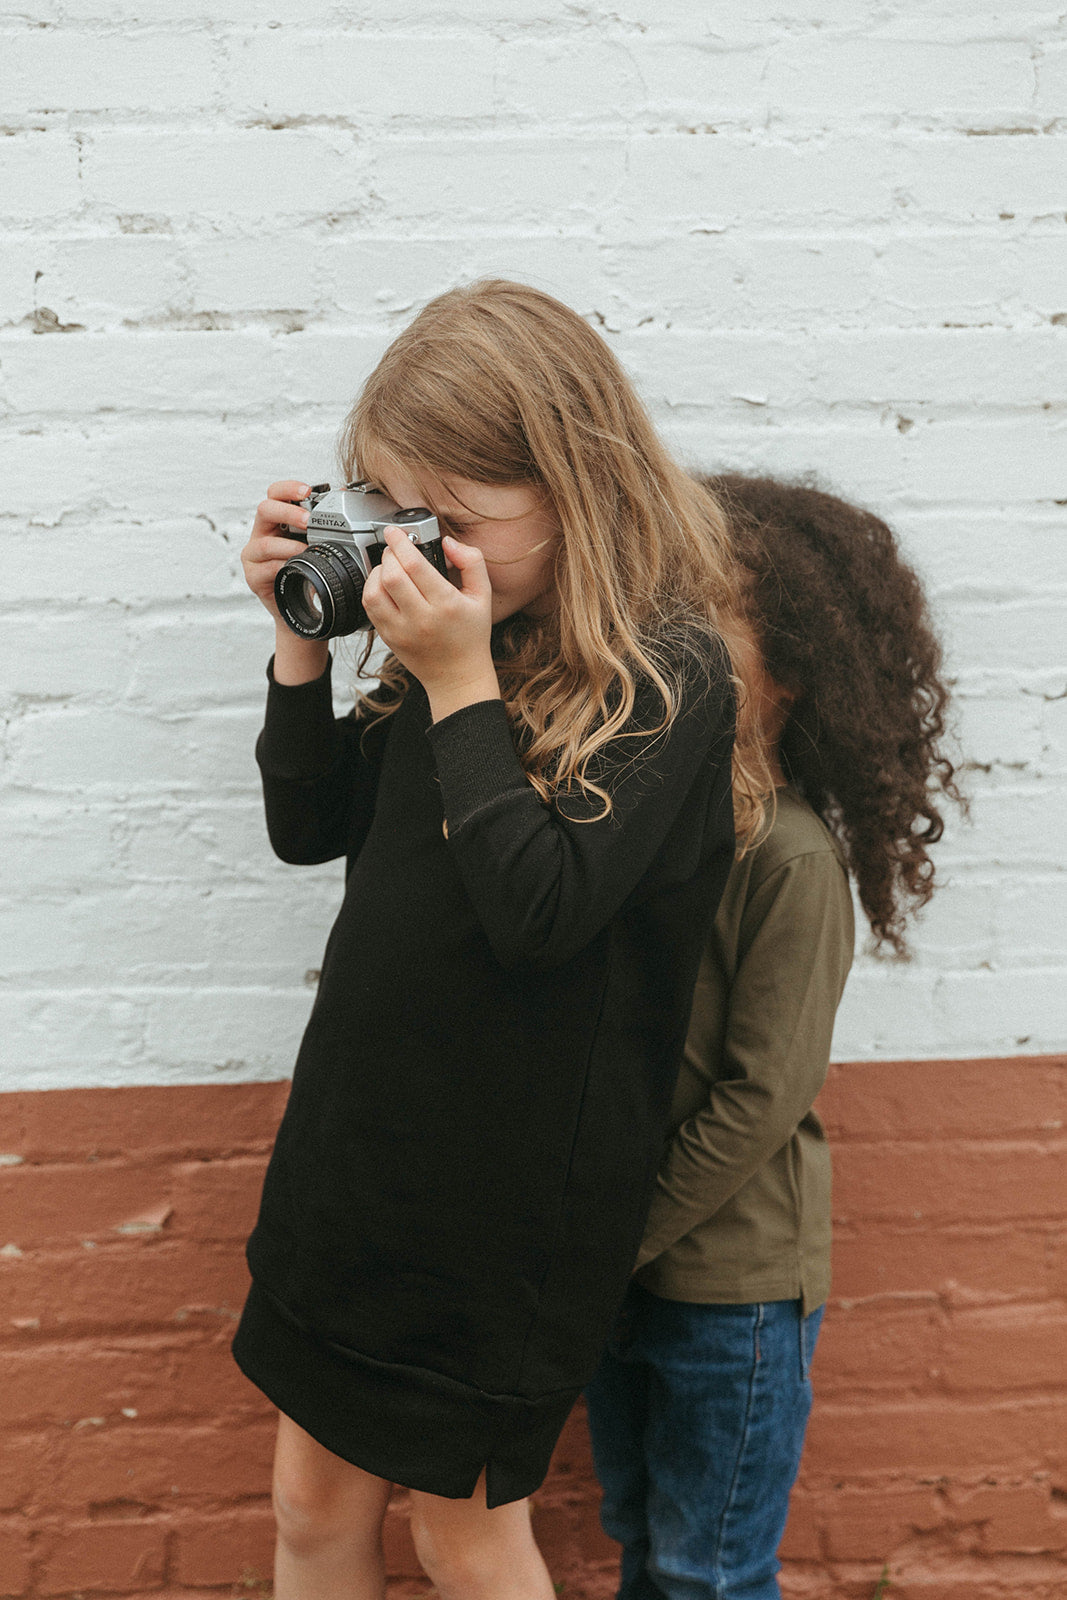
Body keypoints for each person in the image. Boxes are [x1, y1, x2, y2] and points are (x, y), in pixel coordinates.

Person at [233, 282, 774, 1600]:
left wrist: (457, 675)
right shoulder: (447, 640)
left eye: (452, 522)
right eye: (393, 513)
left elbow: (539, 916)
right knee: (307, 1499)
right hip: (357, 1155)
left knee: (459, 1532)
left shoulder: (667, 677)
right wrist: (300, 651)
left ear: (574, 484)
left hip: (505, 1200)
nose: (415, 555)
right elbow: (310, 834)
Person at [584, 473, 965, 1600]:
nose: (670, 648)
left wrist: (619, 1232)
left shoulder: (793, 859)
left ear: (791, 673)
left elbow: (759, 1098)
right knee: (637, 1539)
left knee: (708, 1571)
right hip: (622, 1271)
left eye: (710, 625)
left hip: (727, 1295)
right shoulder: (643, 829)